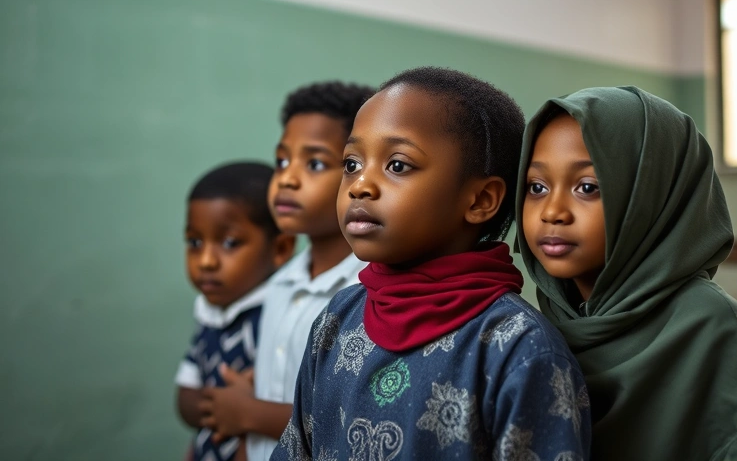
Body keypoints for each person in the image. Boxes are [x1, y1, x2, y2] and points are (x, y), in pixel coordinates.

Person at [272, 67, 591, 460]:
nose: (359, 185)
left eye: (398, 165)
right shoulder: (337, 318)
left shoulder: (520, 348)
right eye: (352, 163)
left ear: (479, 201)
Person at [515, 86, 737, 461]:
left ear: (651, 197)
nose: (552, 211)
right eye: (536, 187)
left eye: (587, 187)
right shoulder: (538, 325)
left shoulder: (711, 328)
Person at [198, 82, 375, 461]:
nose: (288, 178)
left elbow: (354, 420)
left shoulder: (366, 291)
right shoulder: (281, 281)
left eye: (314, 164)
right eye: (282, 161)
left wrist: (249, 414)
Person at [175, 161, 296, 461]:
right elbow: (186, 395)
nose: (206, 261)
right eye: (194, 242)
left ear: (280, 249)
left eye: (229, 243)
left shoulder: (281, 318)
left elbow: (311, 419)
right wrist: (217, 407)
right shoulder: (209, 312)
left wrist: (247, 411)